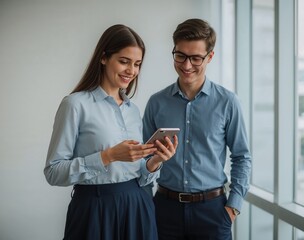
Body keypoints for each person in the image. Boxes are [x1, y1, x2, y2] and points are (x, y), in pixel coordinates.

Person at [44, 24, 178, 240]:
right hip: (94, 209)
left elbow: (139, 175)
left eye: (137, 64)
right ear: (104, 57)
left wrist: (155, 162)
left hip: (138, 205)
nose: (131, 71)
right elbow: (53, 172)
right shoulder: (75, 105)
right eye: (124, 61)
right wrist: (109, 156)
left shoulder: (132, 110)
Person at [142, 18, 252, 240]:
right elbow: (143, 160)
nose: (186, 65)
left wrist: (233, 207)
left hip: (213, 212)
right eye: (180, 55)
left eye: (196, 58)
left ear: (210, 56)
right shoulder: (156, 103)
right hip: (165, 210)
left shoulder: (228, 102)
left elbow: (242, 157)